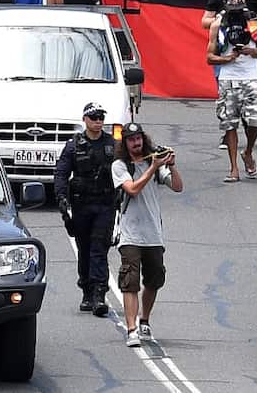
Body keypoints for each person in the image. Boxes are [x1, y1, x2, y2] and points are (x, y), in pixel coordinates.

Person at [112, 122, 183, 348]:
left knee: (154, 280)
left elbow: (178, 187)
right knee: (129, 282)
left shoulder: (154, 161)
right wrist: (152, 167)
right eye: (132, 139)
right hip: (131, 234)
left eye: (139, 138)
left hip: (153, 233)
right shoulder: (120, 166)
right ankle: (132, 329)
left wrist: (171, 166)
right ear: (125, 143)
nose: (137, 143)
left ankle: (145, 320)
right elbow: (132, 189)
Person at [54, 102, 118, 317]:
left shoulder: (113, 145)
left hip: (105, 205)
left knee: (99, 248)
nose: (98, 121)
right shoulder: (73, 146)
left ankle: (100, 293)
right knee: (85, 249)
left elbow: (125, 170)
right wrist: (62, 198)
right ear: (85, 120)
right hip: (81, 205)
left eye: (101, 117)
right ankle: (87, 291)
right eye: (94, 117)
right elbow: (61, 173)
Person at [206, 0, 257, 183]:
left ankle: (248, 151)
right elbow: (209, 57)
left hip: (251, 77)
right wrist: (226, 58)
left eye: (239, 9)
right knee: (229, 123)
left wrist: (251, 50)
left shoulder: (254, 22)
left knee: (255, 121)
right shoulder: (218, 24)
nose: (236, 13)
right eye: (232, 9)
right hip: (228, 78)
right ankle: (233, 168)